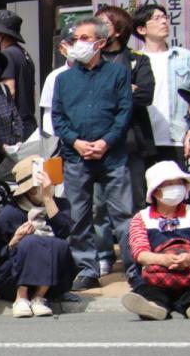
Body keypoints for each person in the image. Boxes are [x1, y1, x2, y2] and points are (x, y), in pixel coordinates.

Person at [50, 16, 134, 292]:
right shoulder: (63, 79)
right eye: (75, 40)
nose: (77, 44)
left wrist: (106, 142)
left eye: (84, 39)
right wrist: (76, 143)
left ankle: (134, 269)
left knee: (123, 215)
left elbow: (124, 113)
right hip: (76, 157)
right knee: (80, 216)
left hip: (113, 155)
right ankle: (87, 269)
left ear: (100, 42)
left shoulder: (119, 73)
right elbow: (59, 118)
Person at [122, 160, 190, 319]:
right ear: (155, 191)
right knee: (149, 292)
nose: (175, 187)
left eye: (178, 183)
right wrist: (163, 259)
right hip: (157, 277)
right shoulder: (141, 218)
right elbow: (139, 252)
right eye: (169, 184)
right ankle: (153, 307)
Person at [0, 157, 76, 316]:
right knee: (30, 242)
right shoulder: (10, 212)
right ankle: (21, 298)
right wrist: (14, 240)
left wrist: (48, 199)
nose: (50, 186)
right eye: (45, 184)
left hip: (53, 282)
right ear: (30, 190)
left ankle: (39, 297)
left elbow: (65, 232)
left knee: (58, 243)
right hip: (12, 280)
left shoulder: (60, 205)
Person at [96, 5, 156, 214]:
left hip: (131, 140)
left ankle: (136, 245)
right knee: (98, 207)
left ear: (119, 30)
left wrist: (108, 93)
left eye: (104, 24)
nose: (98, 28)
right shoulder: (90, 61)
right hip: (96, 141)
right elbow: (87, 95)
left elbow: (145, 96)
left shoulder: (137, 60)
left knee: (137, 201)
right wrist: (124, 90)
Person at [134, 4, 190, 167]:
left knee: (176, 191)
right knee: (145, 191)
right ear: (141, 29)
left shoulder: (183, 57)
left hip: (176, 137)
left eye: (165, 17)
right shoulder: (135, 61)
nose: (164, 21)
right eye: (157, 18)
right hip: (144, 140)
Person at [0, 9, 38, 135]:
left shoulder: (7, 55)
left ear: (0, 35)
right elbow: (33, 93)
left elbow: (9, 90)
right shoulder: (24, 54)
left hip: (15, 127)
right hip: (29, 123)